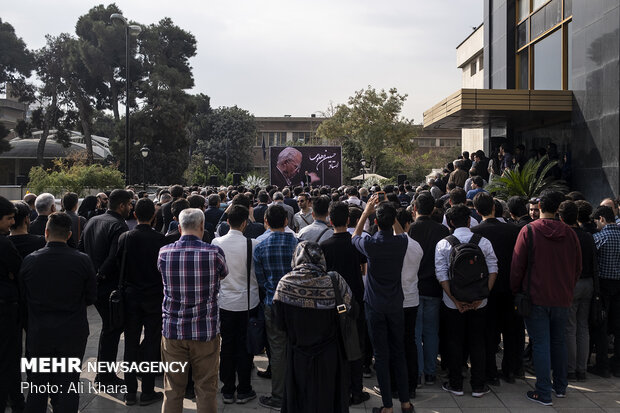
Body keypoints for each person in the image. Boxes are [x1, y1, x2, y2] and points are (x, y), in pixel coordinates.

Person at [19, 212, 97, 413]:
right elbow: (91, 297)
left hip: (40, 332)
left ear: (46, 232)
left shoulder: (30, 261)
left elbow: (22, 296)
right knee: (68, 386)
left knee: (37, 386)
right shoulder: (82, 261)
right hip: (72, 332)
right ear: (69, 234)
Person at [511, 191, 581, 406]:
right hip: (562, 296)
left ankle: (543, 391)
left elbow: (517, 265)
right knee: (558, 341)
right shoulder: (570, 233)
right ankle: (560, 387)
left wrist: (516, 290)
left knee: (540, 343)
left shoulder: (529, 230)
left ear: (539, 205)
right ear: (559, 207)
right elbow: (577, 267)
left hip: (535, 296)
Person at [158, 208, 228, 413]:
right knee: (206, 389)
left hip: (173, 330)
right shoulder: (214, 253)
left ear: (179, 228)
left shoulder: (164, 252)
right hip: (205, 330)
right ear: (202, 226)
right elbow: (223, 274)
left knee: (172, 389)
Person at [273, 241, 353, 413]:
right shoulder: (335, 281)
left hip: (298, 355)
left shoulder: (285, 284)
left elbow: (280, 323)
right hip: (330, 355)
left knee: (299, 400)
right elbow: (352, 310)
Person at [352, 196, 414, 413]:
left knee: (381, 354)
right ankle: (405, 402)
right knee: (399, 352)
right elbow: (401, 233)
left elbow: (355, 236)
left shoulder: (370, 244)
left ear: (376, 223)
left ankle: (387, 405)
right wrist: (391, 212)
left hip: (375, 305)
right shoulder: (401, 242)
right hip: (396, 304)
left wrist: (365, 212)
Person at [435, 204, 498, 398]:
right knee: (478, 341)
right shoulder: (484, 242)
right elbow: (493, 269)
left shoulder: (444, 243)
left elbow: (441, 274)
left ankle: (456, 384)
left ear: (451, 222)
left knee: (454, 341)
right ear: (470, 220)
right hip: (480, 302)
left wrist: (454, 298)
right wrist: (482, 295)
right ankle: (478, 385)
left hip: (452, 303)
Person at [79, 189, 132, 387]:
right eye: (128, 205)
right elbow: (114, 256)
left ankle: (104, 374)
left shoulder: (92, 220)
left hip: (94, 282)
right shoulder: (118, 225)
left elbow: (81, 248)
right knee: (112, 329)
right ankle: (105, 376)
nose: (130, 208)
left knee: (109, 329)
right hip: (108, 285)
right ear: (121, 206)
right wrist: (100, 274)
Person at [116, 198, 166, 406]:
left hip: (131, 296)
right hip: (154, 297)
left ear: (135, 215)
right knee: (151, 344)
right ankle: (147, 391)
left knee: (130, 343)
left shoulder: (125, 237)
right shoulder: (161, 240)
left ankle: (130, 392)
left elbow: (120, 264)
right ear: (153, 217)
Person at [320, 202, 369, 405]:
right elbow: (364, 269)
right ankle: (356, 390)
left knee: (334, 345)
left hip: (333, 301)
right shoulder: (355, 243)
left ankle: (336, 388)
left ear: (330, 221)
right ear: (348, 220)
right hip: (355, 299)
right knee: (355, 345)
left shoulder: (324, 246)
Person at [471, 192, 522, 384]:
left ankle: (490, 371)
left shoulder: (475, 232)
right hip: (510, 287)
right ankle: (510, 370)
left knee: (489, 332)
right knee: (510, 331)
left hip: (487, 288)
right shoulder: (514, 230)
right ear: (494, 207)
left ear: (477, 211)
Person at [211, 205, 260, 405]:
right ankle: (245, 388)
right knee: (245, 346)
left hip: (224, 302)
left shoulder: (216, 242)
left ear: (227, 222)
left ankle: (228, 388)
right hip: (249, 302)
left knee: (227, 346)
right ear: (245, 223)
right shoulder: (254, 244)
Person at [253, 204, 298, 410]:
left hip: (273, 302)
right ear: (287, 221)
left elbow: (261, 280)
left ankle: (278, 396)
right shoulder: (299, 244)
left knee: (277, 350)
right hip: (298, 304)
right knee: (298, 347)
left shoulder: (260, 247)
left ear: (266, 222)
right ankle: (299, 391)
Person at [408, 192, 449, 386]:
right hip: (435, 286)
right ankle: (431, 372)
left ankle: (417, 371)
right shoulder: (442, 230)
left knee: (415, 332)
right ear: (433, 209)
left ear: (415, 208)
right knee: (432, 331)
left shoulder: (411, 230)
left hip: (414, 287)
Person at [558, 201, 597, 382]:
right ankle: (581, 369)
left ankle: (571, 369)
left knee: (570, 327)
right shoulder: (588, 236)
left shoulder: (565, 236)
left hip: (572, 284)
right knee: (583, 327)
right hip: (588, 284)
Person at [590, 205, 620, 378]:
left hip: (603, 285)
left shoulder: (599, 237)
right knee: (618, 326)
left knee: (601, 324)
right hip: (619, 284)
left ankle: (602, 365)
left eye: (596, 221)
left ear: (601, 218)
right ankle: (617, 364)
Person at [0, 197, 24, 413]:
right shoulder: (5, 244)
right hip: (6, 310)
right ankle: (15, 400)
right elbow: (18, 270)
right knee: (9, 359)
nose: (11, 223)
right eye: (8, 219)